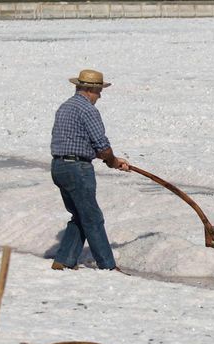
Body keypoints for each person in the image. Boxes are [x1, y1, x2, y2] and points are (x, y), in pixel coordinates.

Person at [50, 68, 130, 272]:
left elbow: (76, 143)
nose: (100, 95)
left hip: (59, 167)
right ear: (88, 89)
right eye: (99, 91)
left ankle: (64, 260)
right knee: (92, 218)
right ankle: (108, 266)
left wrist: (112, 160)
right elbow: (102, 146)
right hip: (77, 169)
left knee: (80, 215)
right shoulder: (88, 110)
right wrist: (111, 160)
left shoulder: (65, 107)